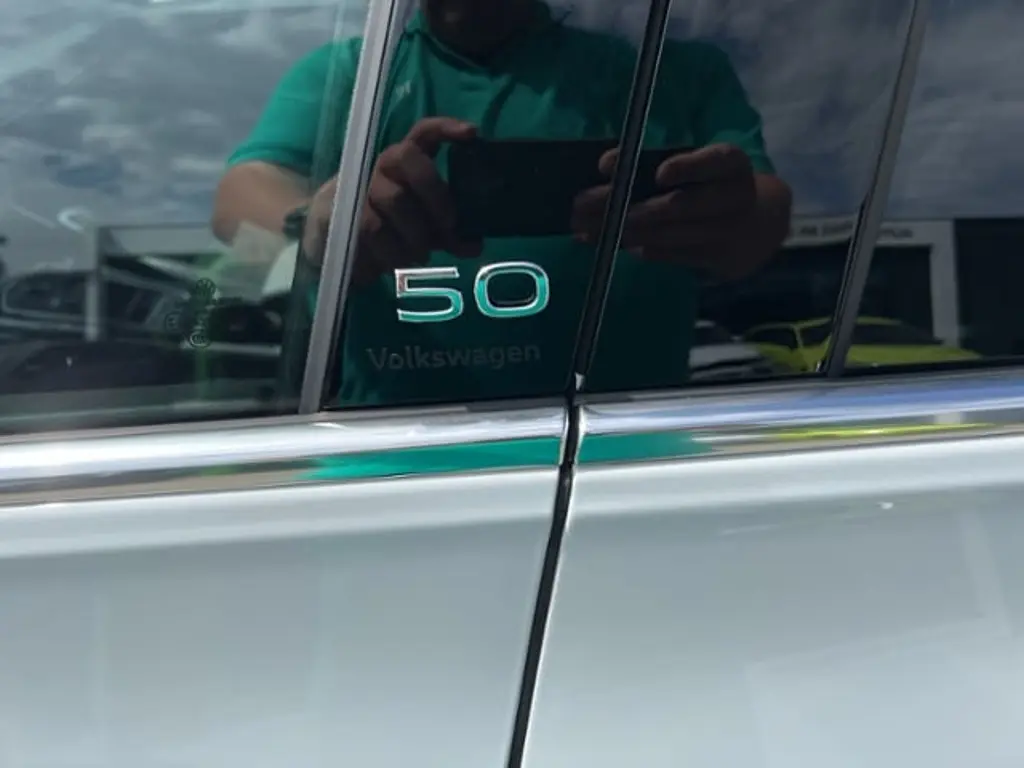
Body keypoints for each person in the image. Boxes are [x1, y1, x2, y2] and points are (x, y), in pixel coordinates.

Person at [213, 0, 793, 405]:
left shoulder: (675, 74)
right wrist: (320, 217)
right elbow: (240, 197)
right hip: (392, 449)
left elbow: (763, 216)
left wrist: (733, 217)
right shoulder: (345, 73)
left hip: (624, 448)